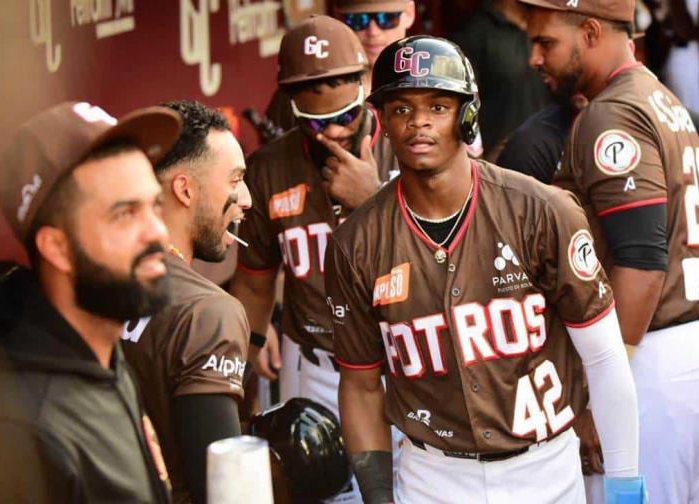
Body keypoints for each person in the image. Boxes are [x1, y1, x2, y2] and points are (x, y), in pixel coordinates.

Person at [326, 35, 644, 503]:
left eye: (437, 106)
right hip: (432, 476)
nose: (418, 123)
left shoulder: (541, 210)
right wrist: (378, 496)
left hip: (545, 469)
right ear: (383, 124)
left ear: (467, 115)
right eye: (401, 109)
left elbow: (603, 355)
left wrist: (624, 484)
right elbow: (359, 386)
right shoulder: (356, 243)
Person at [522, 1, 699, 502]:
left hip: (654, 358)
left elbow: (641, 266)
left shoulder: (612, 113)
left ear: (592, 32)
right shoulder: (659, 97)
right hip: (697, 344)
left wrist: (606, 393)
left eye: (546, 43)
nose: (534, 59)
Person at [0, 101, 181, 502]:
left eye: (154, 206)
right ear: (58, 249)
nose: (157, 232)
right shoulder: (16, 430)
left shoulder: (99, 344)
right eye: (124, 214)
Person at [231, 15, 399, 502]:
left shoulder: (407, 146)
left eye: (347, 115)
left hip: (404, 367)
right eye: (318, 122)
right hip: (316, 367)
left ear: (365, 85)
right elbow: (255, 282)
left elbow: (451, 258)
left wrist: (373, 201)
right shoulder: (270, 167)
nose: (334, 132)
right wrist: (246, 353)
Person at [120, 100, 252, 504]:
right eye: (234, 180)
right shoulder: (209, 312)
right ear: (184, 189)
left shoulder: (96, 278)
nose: (246, 199)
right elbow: (222, 491)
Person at [497, 101, 699, 271]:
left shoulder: (683, 122)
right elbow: (516, 270)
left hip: (686, 324)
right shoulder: (535, 144)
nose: (536, 59)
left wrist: (650, 275)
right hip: (591, 329)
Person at [265, 0, 416, 134]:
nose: (373, 32)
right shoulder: (303, 87)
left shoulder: (430, 82)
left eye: (386, 18)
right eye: (358, 20)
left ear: (409, 14)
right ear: (339, 18)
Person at [450, 0, 550, 155]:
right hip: (497, 163)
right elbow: (463, 108)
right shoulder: (472, 33)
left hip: (548, 156)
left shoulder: (550, 25)